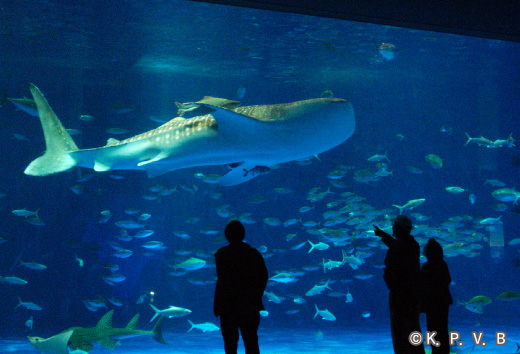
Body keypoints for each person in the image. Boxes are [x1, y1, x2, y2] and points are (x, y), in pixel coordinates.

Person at [214, 220, 268, 354]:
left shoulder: (221, 255)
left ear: (226, 236)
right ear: (243, 235)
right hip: (250, 306)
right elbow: (264, 277)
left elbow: (222, 282)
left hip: (227, 306)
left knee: (230, 344)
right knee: (251, 343)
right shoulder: (254, 254)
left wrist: (218, 305)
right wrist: (256, 296)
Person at [374, 215, 425, 354]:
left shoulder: (402, 246)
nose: (392, 228)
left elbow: (397, 249)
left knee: (400, 331)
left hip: (400, 294)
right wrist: (383, 235)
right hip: (413, 294)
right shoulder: (413, 244)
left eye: (394, 226)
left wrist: (384, 236)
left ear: (399, 228)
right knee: (413, 329)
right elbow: (399, 246)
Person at [421, 238, 453, 354]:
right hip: (444, 300)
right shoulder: (443, 264)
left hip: (432, 302)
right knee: (442, 328)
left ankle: (437, 351)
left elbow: (423, 285)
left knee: (433, 328)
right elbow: (448, 280)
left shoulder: (426, 267)